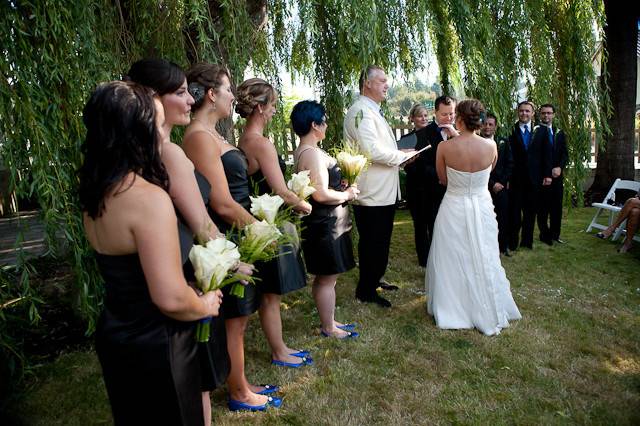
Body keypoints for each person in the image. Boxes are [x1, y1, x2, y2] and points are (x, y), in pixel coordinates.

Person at [79, 80, 223, 424]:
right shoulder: (147, 198)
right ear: (136, 133)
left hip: (116, 333)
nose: (163, 133)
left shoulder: (95, 193)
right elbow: (170, 298)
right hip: (159, 342)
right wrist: (204, 304)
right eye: (157, 124)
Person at [125, 58, 253, 423]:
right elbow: (202, 225)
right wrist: (231, 262)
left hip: (160, 270)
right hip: (183, 272)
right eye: (181, 92)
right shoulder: (170, 153)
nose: (189, 100)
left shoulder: (136, 154)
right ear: (153, 99)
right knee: (193, 386)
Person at [183, 63, 281, 412]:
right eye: (226, 90)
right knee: (234, 318)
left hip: (238, 229)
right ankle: (238, 392)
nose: (231, 96)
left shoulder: (214, 134)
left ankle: (241, 381)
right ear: (211, 95)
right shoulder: (197, 136)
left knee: (241, 315)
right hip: (225, 233)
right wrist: (259, 228)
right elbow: (220, 201)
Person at [426, 99, 521, 336]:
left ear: (458, 119)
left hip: (454, 204)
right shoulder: (491, 147)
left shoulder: (445, 148)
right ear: (479, 120)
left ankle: (453, 306)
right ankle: (484, 302)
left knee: (452, 254)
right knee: (483, 252)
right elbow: (488, 173)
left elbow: (443, 179)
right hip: (481, 206)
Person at [235, 78, 313, 366]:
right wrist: (304, 202)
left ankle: (280, 347)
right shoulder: (262, 143)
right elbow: (280, 190)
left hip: (257, 220)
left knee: (270, 292)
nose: (274, 111)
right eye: (273, 105)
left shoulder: (242, 140)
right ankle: (279, 352)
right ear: (259, 107)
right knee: (271, 293)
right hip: (269, 224)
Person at [343, 65, 414, 307]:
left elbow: (381, 147)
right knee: (373, 241)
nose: (387, 85)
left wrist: (398, 153)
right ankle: (366, 290)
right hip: (371, 192)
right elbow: (370, 150)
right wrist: (401, 157)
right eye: (382, 80)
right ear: (367, 83)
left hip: (383, 190)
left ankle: (374, 279)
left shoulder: (372, 110)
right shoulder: (359, 111)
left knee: (381, 240)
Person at [292, 100, 360, 339]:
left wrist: (338, 185)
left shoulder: (305, 150)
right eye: (324, 120)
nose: (327, 125)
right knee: (327, 278)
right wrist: (347, 194)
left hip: (325, 220)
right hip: (325, 222)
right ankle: (328, 327)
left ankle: (329, 319)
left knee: (327, 277)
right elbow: (320, 194)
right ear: (314, 124)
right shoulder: (311, 153)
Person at [405, 95, 458, 266]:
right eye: (444, 114)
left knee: (444, 227)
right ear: (435, 113)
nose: (449, 118)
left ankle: (443, 259)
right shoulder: (422, 135)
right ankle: (426, 262)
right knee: (423, 226)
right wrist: (442, 176)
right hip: (423, 190)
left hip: (449, 192)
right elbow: (416, 165)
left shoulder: (458, 133)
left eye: (452, 114)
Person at [508, 101, 552, 250]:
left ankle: (527, 242)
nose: (524, 114)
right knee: (514, 213)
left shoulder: (542, 131)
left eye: (527, 111)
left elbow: (547, 154)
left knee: (530, 212)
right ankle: (512, 242)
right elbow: (508, 155)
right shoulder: (511, 130)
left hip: (535, 179)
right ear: (517, 112)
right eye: (521, 111)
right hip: (516, 179)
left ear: (533, 114)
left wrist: (547, 175)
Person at [536, 104, 568, 245]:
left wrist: (560, 167)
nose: (546, 116)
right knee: (542, 207)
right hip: (542, 177)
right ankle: (545, 235)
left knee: (556, 207)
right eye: (543, 113)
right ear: (539, 115)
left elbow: (564, 154)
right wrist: (545, 173)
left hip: (557, 177)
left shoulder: (559, 132)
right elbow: (536, 157)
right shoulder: (535, 132)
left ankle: (556, 234)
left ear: (553, 115)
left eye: (549, 113)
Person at [481, 112, 513, 256]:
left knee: (503, 217)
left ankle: (503, 246)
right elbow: (476, 167)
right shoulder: (475, 143)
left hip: (501, 187)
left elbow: (510, 164)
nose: (487, 127)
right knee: (484, 219)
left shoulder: (503, 141)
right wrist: (491, 183)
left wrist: (501, 182)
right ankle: (486, 248)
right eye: (485, 124)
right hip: (483, 187)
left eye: (490, 124)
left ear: (495, 127)